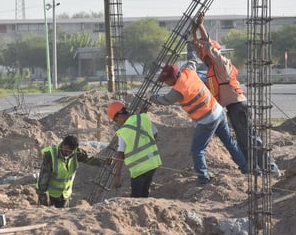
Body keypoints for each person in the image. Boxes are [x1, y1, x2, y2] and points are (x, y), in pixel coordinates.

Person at [190, 12, 281, 177]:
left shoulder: (220, 61)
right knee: (243, 140)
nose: (204, 56)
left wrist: (201, 27)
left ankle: (271, 168)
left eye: (207, 53)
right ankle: (256, 170)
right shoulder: (212, 66)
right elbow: (199, 47)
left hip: (238, 106)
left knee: (251, 138)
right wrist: (194, 30)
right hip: (233, 108)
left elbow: (207, 45)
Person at [148, 49, 248, 184]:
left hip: (206, 119)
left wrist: (151, 97)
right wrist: (190, 44)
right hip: (218, 111)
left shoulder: (178, 90)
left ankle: (203, 178)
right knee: (229, 142)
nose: (166, 83)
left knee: (197, 149)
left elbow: (165, 100)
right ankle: (245, 168)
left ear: (173, 77)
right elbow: (192, 59)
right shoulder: (188, 71)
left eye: (166, 80)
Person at [107, 101, 162, 197]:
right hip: (153, 163)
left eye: (115, 120)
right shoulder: (143, 118)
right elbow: (155, 133)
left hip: (139, 169)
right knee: (144, 192)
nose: (117, 123)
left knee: (136, 197)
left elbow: (120, 155)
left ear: (119, 116)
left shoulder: (123, 132)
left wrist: (117, 176)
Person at [36, 135, 99, 208]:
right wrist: (43, 196)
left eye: (70, 152)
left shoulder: (76, 153)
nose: (67, 154)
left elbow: (90, 160)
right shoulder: (50, 155)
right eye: (66, 151)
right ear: (63, 144)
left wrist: (105, 162)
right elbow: (44, 177)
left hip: (65, 195)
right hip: (50, 195)